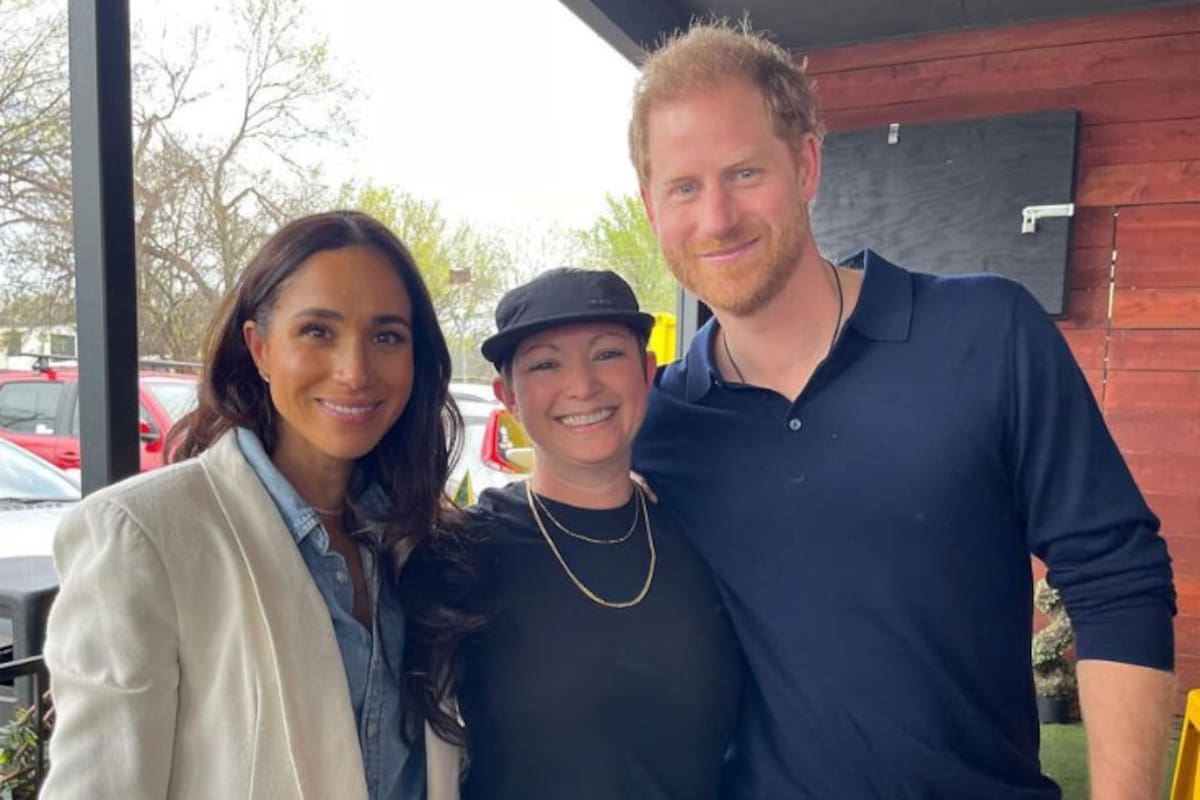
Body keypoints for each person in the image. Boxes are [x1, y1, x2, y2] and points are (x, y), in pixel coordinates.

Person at [629, 21, 1177, 800]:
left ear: (806, 164)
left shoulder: (988, 333)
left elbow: (1117, 576)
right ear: (651, 207)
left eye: (745, 172)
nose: (716, 217)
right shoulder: (660, 428)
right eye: (683, 187)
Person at [41, 210, 459, 799]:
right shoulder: (143, 534)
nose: (355, 371)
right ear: (259, 348)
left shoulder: (415, 536)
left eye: (386, 336)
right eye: (317, 331)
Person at [403, 267, 743, 800]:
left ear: (647, 371)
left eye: (608, 354)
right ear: (508, 397)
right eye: (545, 364)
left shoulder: (707, 532)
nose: (582, 386)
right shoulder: (462, 552)